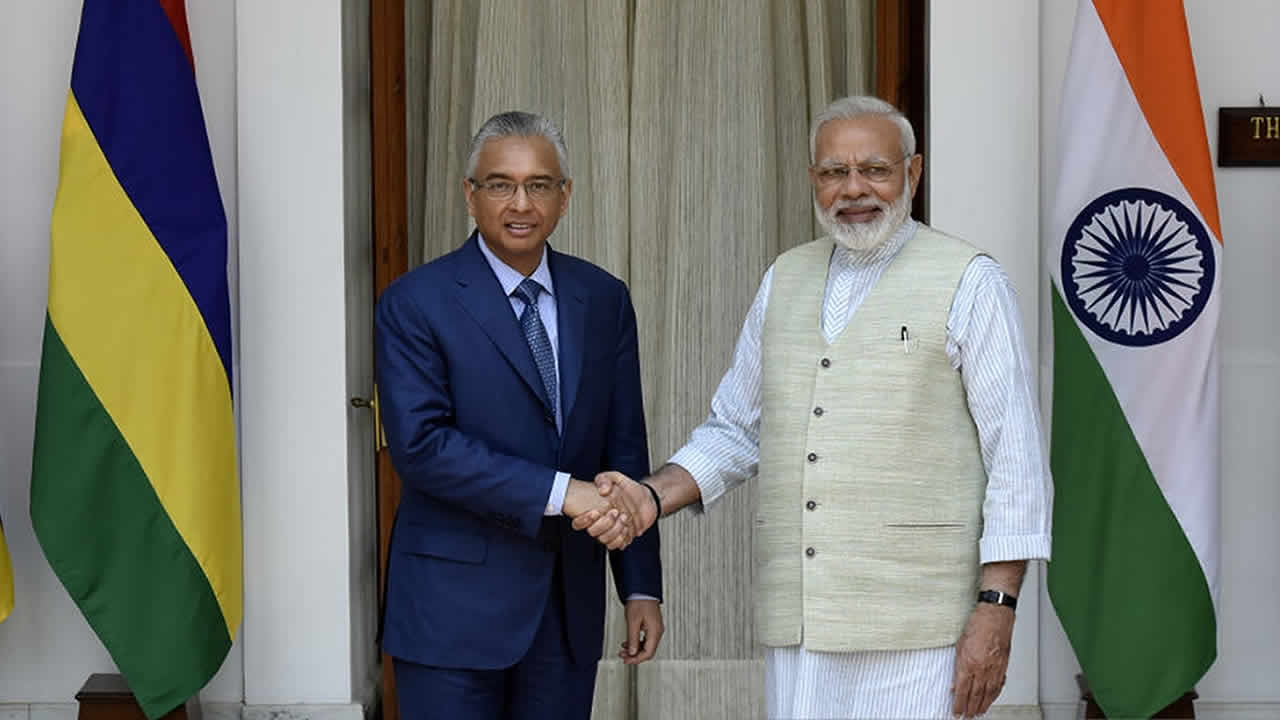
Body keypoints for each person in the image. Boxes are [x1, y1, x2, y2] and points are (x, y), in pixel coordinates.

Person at [576, 95, 1052, 719]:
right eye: (834, 172)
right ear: (813, 180)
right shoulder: (785, 278)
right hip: (802, 626)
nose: (854, 189)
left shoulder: (970, 280)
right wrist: (649, 496)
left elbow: (1014, 455)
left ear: (912, 173)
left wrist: (998, 607)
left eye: (875, 170)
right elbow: (736, 429)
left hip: (921, 628)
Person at [376, 110, 663, 720]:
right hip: (450, 614)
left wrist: (639, 586)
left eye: (538, 185)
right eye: (500, 185)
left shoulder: (603, 299)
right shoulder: (416, 302)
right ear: (469, 195)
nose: (521, 204)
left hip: (566, 612)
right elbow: (422, 447)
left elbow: (624, 450)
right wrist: (564, 493)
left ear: (565, 196)